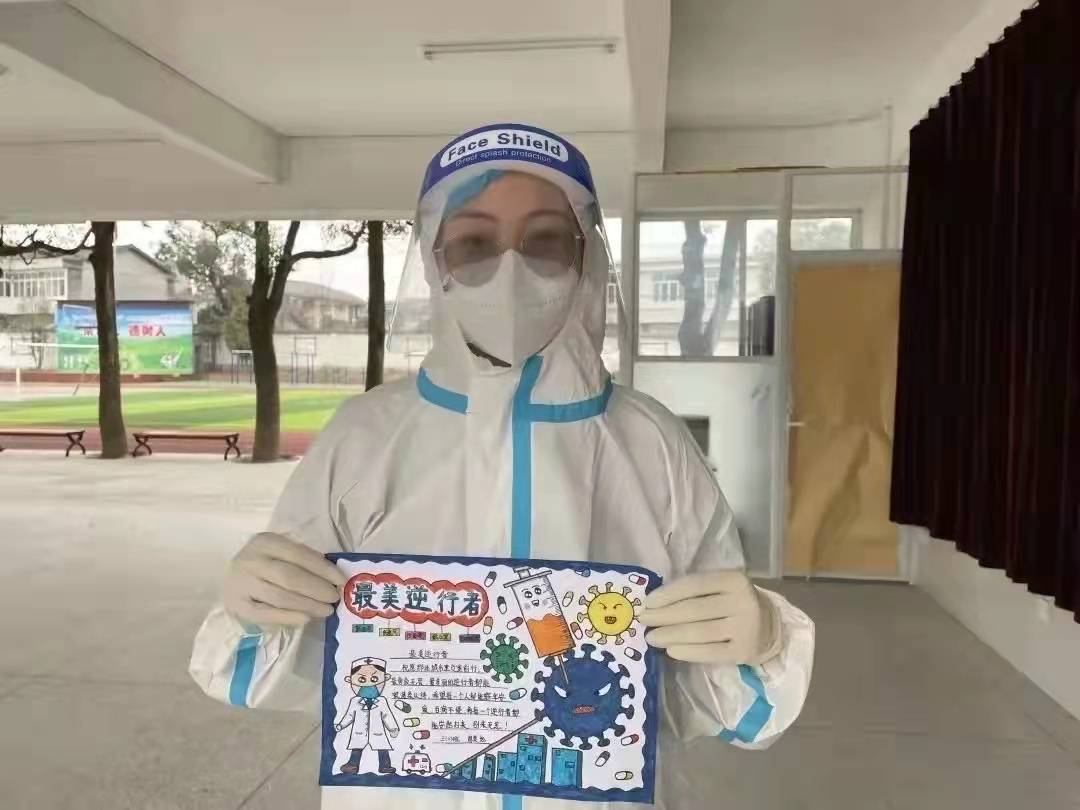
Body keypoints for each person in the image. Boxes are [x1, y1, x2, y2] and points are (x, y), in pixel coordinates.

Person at [190, 123, 815, 810]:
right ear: (436, 264)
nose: (511, 269)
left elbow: (712, 700)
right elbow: (277, 669)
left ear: (585, 258)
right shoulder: (364, 437)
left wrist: (761, 641)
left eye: (545, 240)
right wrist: (254, 614)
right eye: (475, 244)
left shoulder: (653, 442)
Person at [334, 657, 400, 775]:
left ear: (385, 678)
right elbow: (349, 715)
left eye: (374, 678)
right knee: (356, 747)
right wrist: (341, 725)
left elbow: (387, 715)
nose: (369, 684)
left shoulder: (382, 701)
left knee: (382, 747)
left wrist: (393, 728)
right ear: (350, 680)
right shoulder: (355, 701)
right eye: (361, 679)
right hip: (359, 730)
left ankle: (385, 766)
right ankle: (353, 765)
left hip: (378, 730)